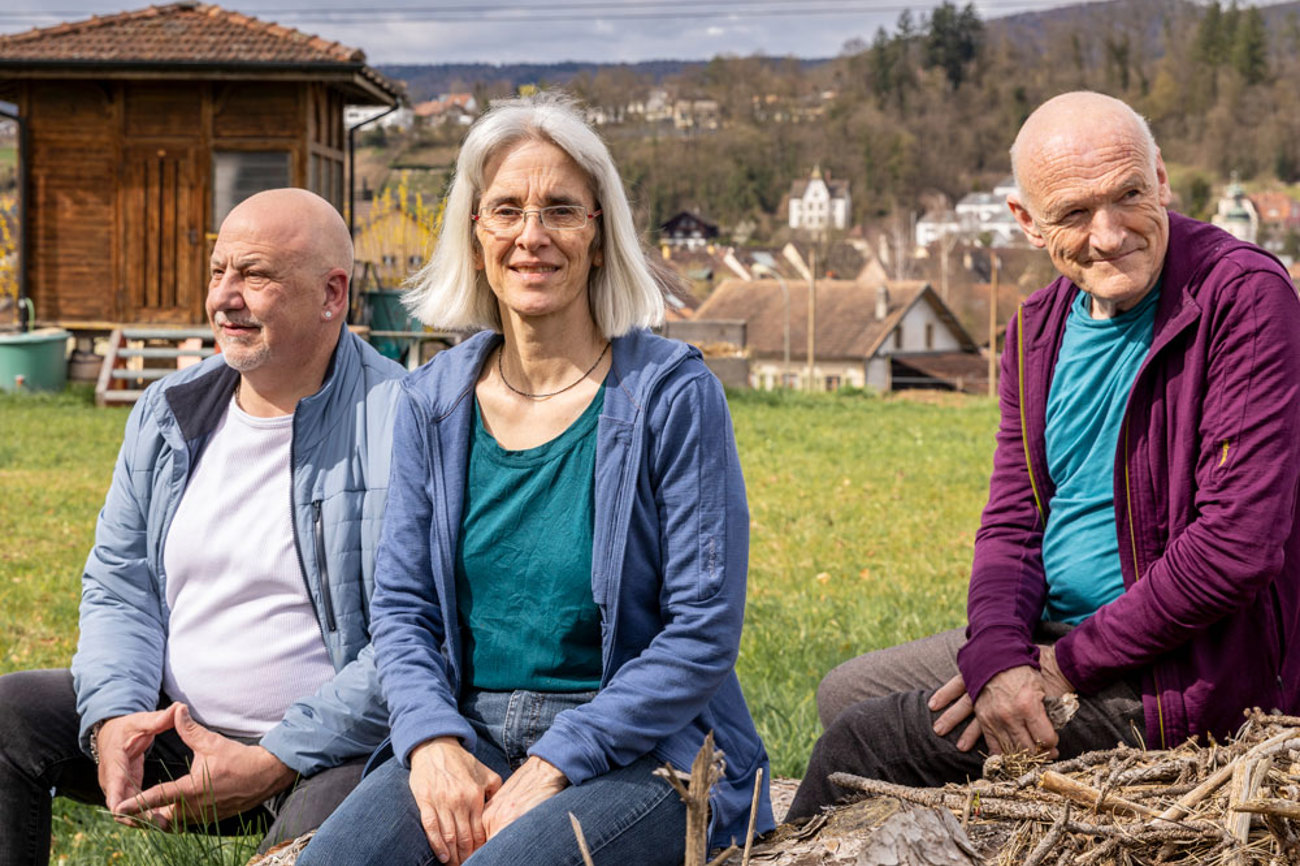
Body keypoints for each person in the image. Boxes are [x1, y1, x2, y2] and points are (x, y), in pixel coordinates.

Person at [789, 91, 1300, 818]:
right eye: (1072, 213)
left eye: (1128, 195)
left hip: (1185, 672)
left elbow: (1234, 548)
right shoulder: (1036, 331)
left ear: (1161, 179)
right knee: (845, 689)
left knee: (861, 744)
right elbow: (1012, 523)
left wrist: (1063, 667)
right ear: (1027, 223)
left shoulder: (1240, 296)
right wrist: (999, 653)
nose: (1108, 232)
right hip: (1053, 639)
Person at [299, 92, 773, 866]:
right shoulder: (432, 399)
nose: (533, 235)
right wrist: (429, 740)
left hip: (639, 745)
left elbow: (701, 632)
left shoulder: (671, 394)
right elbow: (403, 608)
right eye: (507, 211)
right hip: (471, 726)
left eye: (560, 210)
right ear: (475, 232)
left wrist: (558, 761)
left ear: (597, 234)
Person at [0, 188, 405, 864]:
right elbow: (120, 582)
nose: (224, 297)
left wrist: (276, 756)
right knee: (8, 714)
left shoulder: (405, 420)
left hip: (330, 752)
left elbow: (412, 635)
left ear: (332, 294)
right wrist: (113, 719)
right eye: (219, 271)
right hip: (173, 732)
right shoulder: (170, 411)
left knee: (328, 835)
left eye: (255, 274)